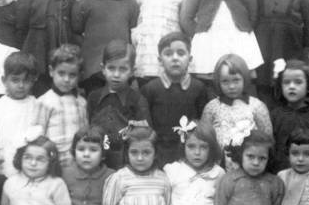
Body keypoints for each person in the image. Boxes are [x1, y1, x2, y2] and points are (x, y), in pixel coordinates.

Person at [73, 0, 139, 94]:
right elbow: (76, 32)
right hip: (92, 69)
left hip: (119, 69)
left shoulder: (130, 5)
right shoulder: (83, 5)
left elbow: (133, 36)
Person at [15, 0, 77, 96]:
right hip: (33, 66)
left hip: (60, 68)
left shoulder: (69, 2)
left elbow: (74, 35)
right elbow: (19, 34)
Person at [141, 32, 209, 166]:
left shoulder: (199, 88)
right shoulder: (150, 89)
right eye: (168, 54)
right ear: (160, 60)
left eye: (181, 53)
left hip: (190, 154)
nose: (175, 58)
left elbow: (203, 123)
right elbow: (147, 126)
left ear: (190, 59)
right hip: (159, 154)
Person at [200, 53, 272, 169]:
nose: (232, 86)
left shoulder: (257, 106)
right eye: (225, 81)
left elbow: (267, 137)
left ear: (245, 78)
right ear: (218, 82)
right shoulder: (211, 107)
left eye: (236, 80)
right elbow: (204, 137)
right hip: (219, 166)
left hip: (251, 166)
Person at [86, 40, 150, 169]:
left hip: (126, 162)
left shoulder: (137, 100)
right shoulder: (94, 97)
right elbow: (88, 127)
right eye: (111, 68)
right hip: (97, 162)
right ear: (103, 68)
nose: (116, 74)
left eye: (123, 69)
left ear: (132, 71)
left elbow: (145, 132)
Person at [0, 51, 49, 176]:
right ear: (4, 80)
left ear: (33, 81)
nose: (21, 85)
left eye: (26, 81)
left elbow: (41, 135)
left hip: (31, 167)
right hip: (3, 167)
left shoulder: (37, 105)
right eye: (15, 80)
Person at [270, 59, 309, 172]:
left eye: (298, 82)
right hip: (282, 175)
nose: (292, 86)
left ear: (308, 85)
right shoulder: (275, 115)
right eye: (286, 82)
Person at [39, 44, 88, 168]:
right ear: (51, 71)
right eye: (61, 73)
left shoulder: (82, 102)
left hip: (77, 163)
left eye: (72, 75)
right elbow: (39, 135)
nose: (66, 79)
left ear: (79, 76)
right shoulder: (44, 102)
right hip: (53, 163)